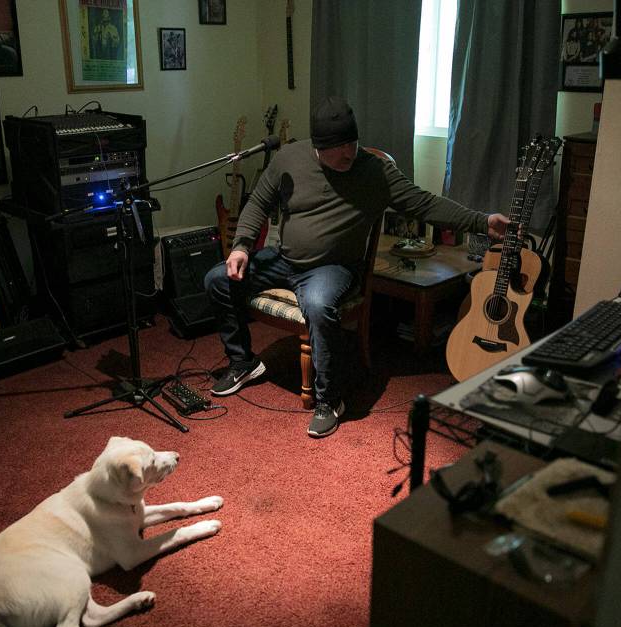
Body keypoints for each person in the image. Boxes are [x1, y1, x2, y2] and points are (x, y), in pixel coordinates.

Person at [203, 96, 510, 438]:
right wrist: (242, 246)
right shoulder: (289, 158)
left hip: (331, 268)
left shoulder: (375, 172)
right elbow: (259, 201)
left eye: (353, 142)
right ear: (319, 148)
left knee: (318, 304)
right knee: (217, 279)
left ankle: (329, 400)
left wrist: (482, 222)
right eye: (340, 148)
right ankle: (243, 362)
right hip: (284, 259)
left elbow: (424, 204)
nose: (349, 152)